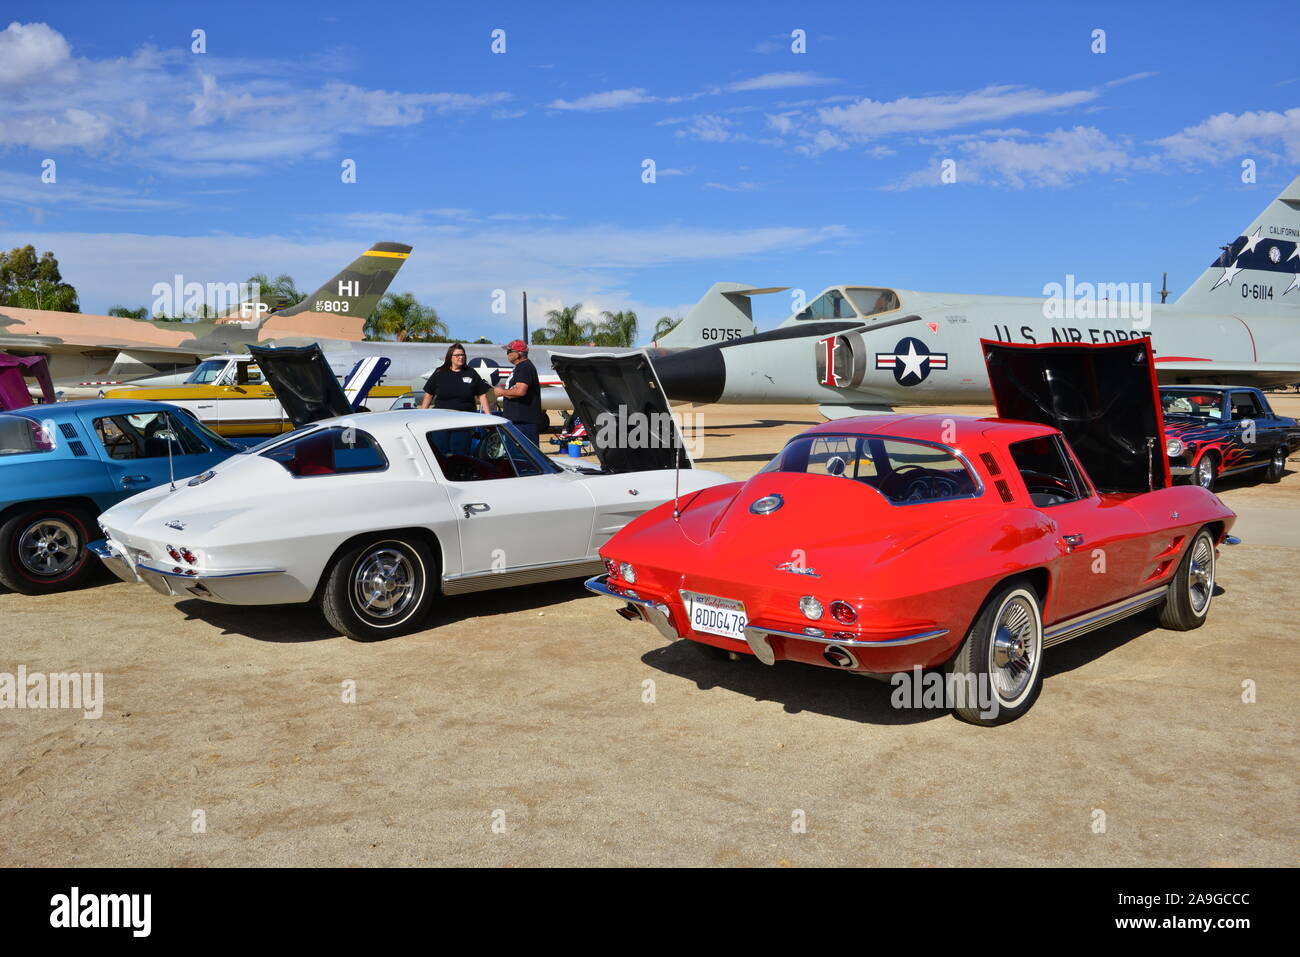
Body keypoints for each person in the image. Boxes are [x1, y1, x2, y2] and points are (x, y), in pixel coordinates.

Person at [493, 339, 546, 446]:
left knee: (526, 457)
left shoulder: (525, 367)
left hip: (523, 422)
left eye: (509, 351)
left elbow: (521, 391)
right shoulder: (520, 367)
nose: (507, 354)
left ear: (518, 353)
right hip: (518, 421)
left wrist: (501, 392)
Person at [420, 343, 492, 413]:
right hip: (442, 418)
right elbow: (428, 395)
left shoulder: (471, 372)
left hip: (466, 418)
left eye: (462, 355)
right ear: (450, 357)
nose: (461, 357)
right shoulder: (439, 372)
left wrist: (489, 416)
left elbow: (482, 395)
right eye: (457, 355)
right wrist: (422, 414)